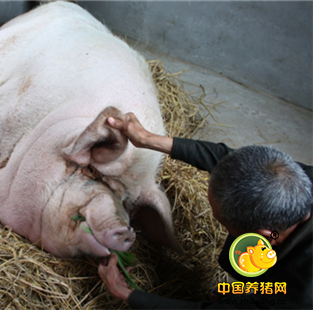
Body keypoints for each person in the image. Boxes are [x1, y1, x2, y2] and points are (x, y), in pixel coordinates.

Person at [98, 113, 312, 309]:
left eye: (223, 222)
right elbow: (235, 162)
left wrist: (127, 294)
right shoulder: (291, 177)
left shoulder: (298, 295)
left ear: (265, 236)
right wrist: (148, 139)